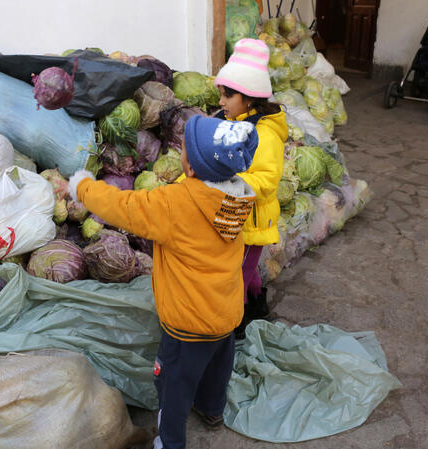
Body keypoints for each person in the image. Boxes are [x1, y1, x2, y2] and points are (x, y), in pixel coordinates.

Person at [68, 115, 259, 449]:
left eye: (183, 149)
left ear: (192, 167)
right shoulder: (235, 198)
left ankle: (169, 442)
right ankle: (212, 410)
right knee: (217, 367)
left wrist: (83, 187)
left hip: (188, 325)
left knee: (172, 385)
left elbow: (123, 206)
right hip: (225, 314)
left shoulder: (176, 203)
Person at [214, 38, 288, 337]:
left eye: (227, 96)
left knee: (236, 277)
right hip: (232, 214)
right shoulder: (227, 120)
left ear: (250, 99)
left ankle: (235, 329)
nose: (221, 102)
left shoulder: (265, 135)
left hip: (251, 222)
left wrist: (229, 184)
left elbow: (267, 180)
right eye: (221, 94)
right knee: (245, 271)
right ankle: (259, 307)